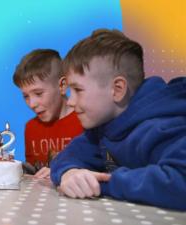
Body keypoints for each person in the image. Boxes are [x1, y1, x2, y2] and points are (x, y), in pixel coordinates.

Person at [50, 29, 186, 210]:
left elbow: (180, 181)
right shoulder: (102, 128)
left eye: (78, 90)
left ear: (117, 89)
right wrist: (70, 173)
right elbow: (68, 156)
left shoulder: (162, 126)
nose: (71, 102)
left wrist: (102, 184)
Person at [13, 49, 83, 179]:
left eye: (38, 93)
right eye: (25, 96)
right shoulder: (31, 128)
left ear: (62, 85)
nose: (32, 103)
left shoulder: (85, 121)